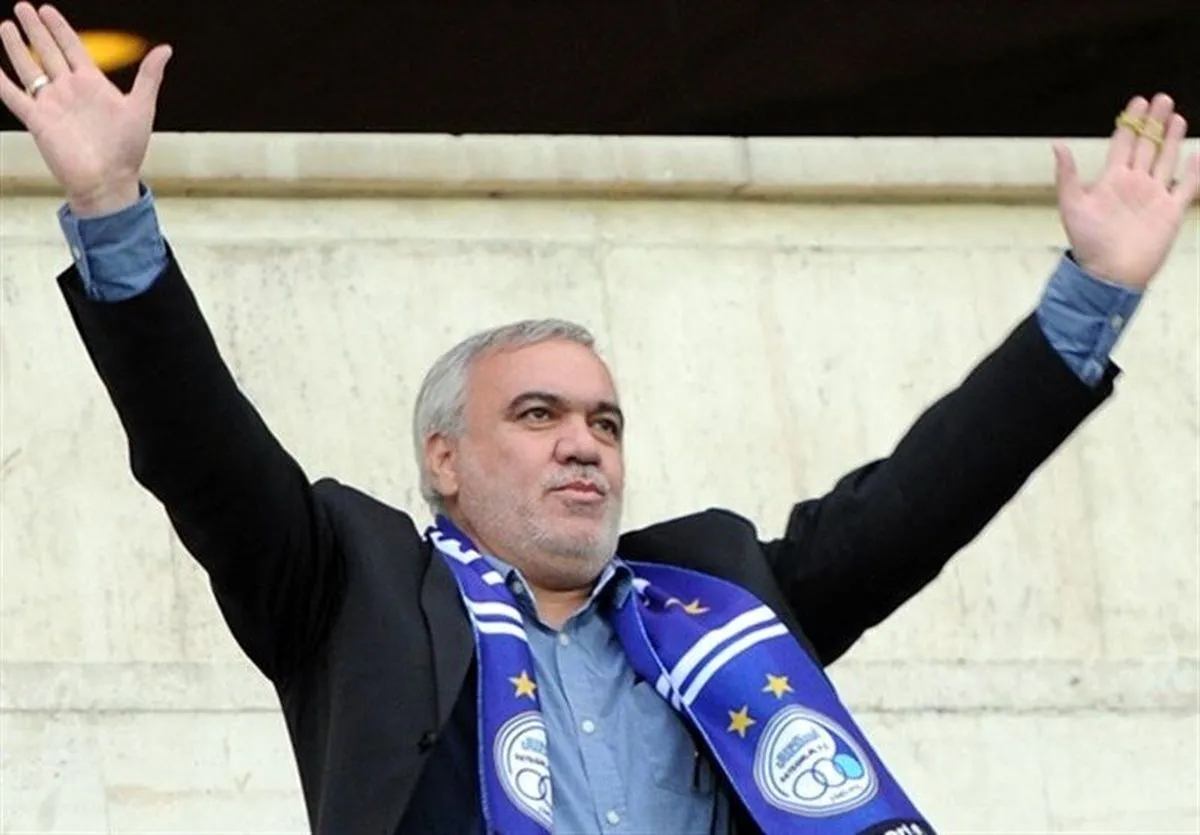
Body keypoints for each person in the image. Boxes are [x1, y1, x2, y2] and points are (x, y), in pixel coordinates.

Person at [2, 4, 1196, 834]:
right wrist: (110, 203)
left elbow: (922, 499)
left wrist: (1093, 292)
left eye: (607, 422)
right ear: (444, 458)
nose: (586, 441)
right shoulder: (349, 591)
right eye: (539, 413)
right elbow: (201, 449)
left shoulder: (721, 596)